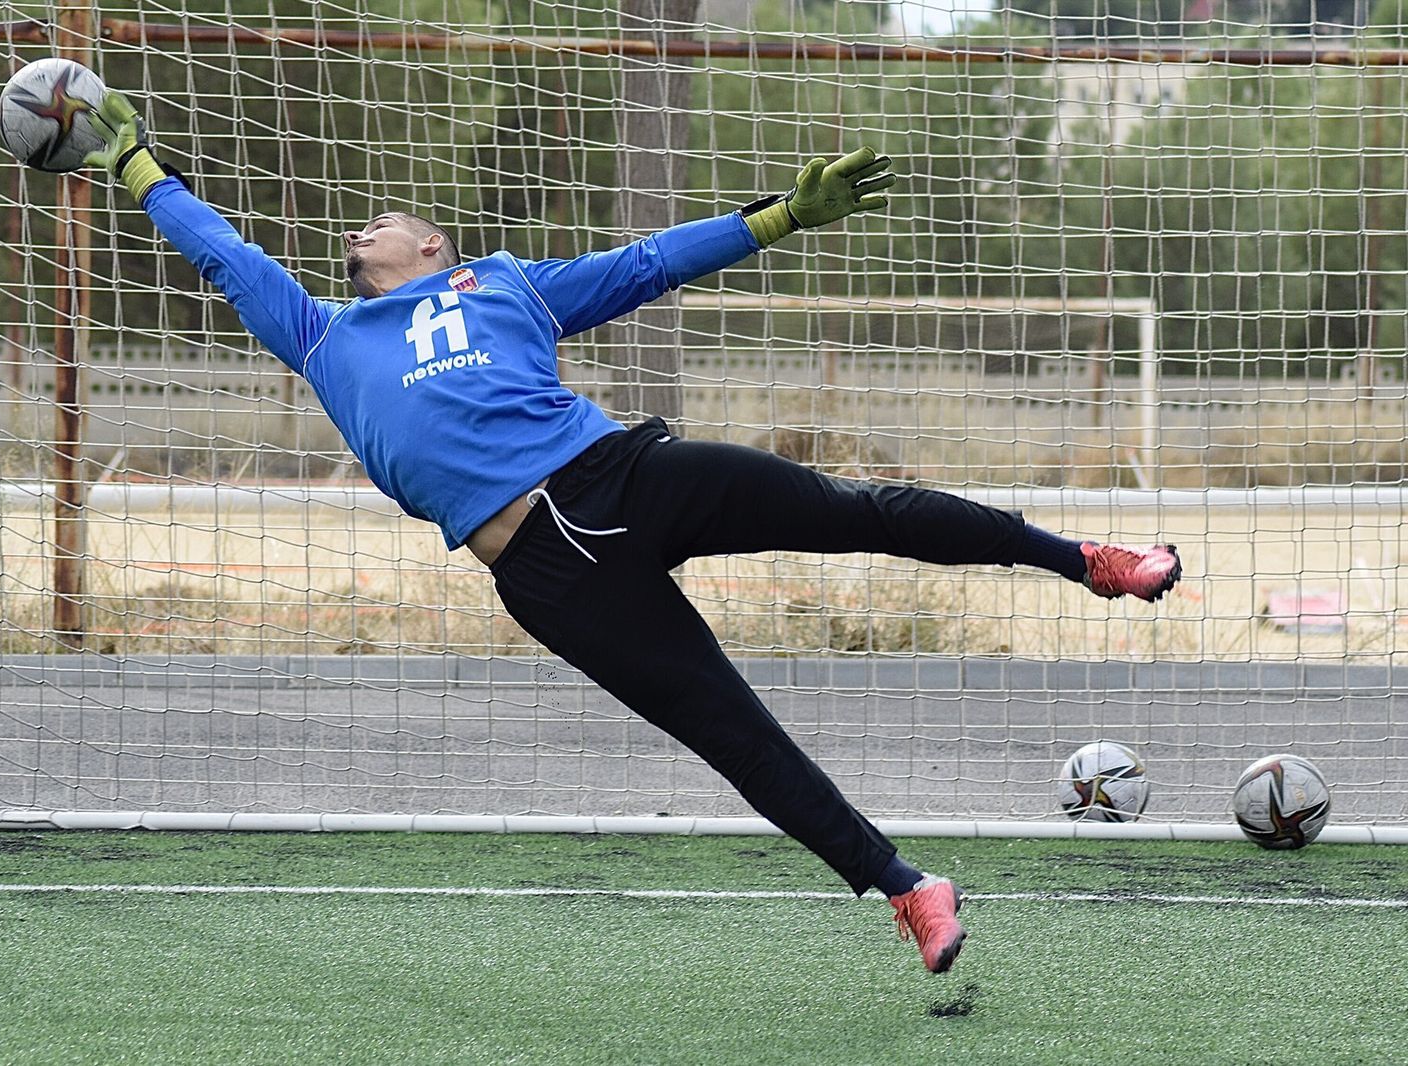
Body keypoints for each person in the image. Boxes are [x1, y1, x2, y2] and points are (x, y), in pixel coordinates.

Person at [81, 90, 1181, 975]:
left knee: (855, 511)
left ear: (432, 241)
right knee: (730, 733)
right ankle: (906, 890)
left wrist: (781, 216)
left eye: (385, 217)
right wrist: (139, 168)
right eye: (360, 226)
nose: (363, 227)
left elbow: (647, 266)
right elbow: (228, 256)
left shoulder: (505, 284)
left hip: (623, 475)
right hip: (548, 574)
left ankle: (1089, 561)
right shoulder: (324, 335)